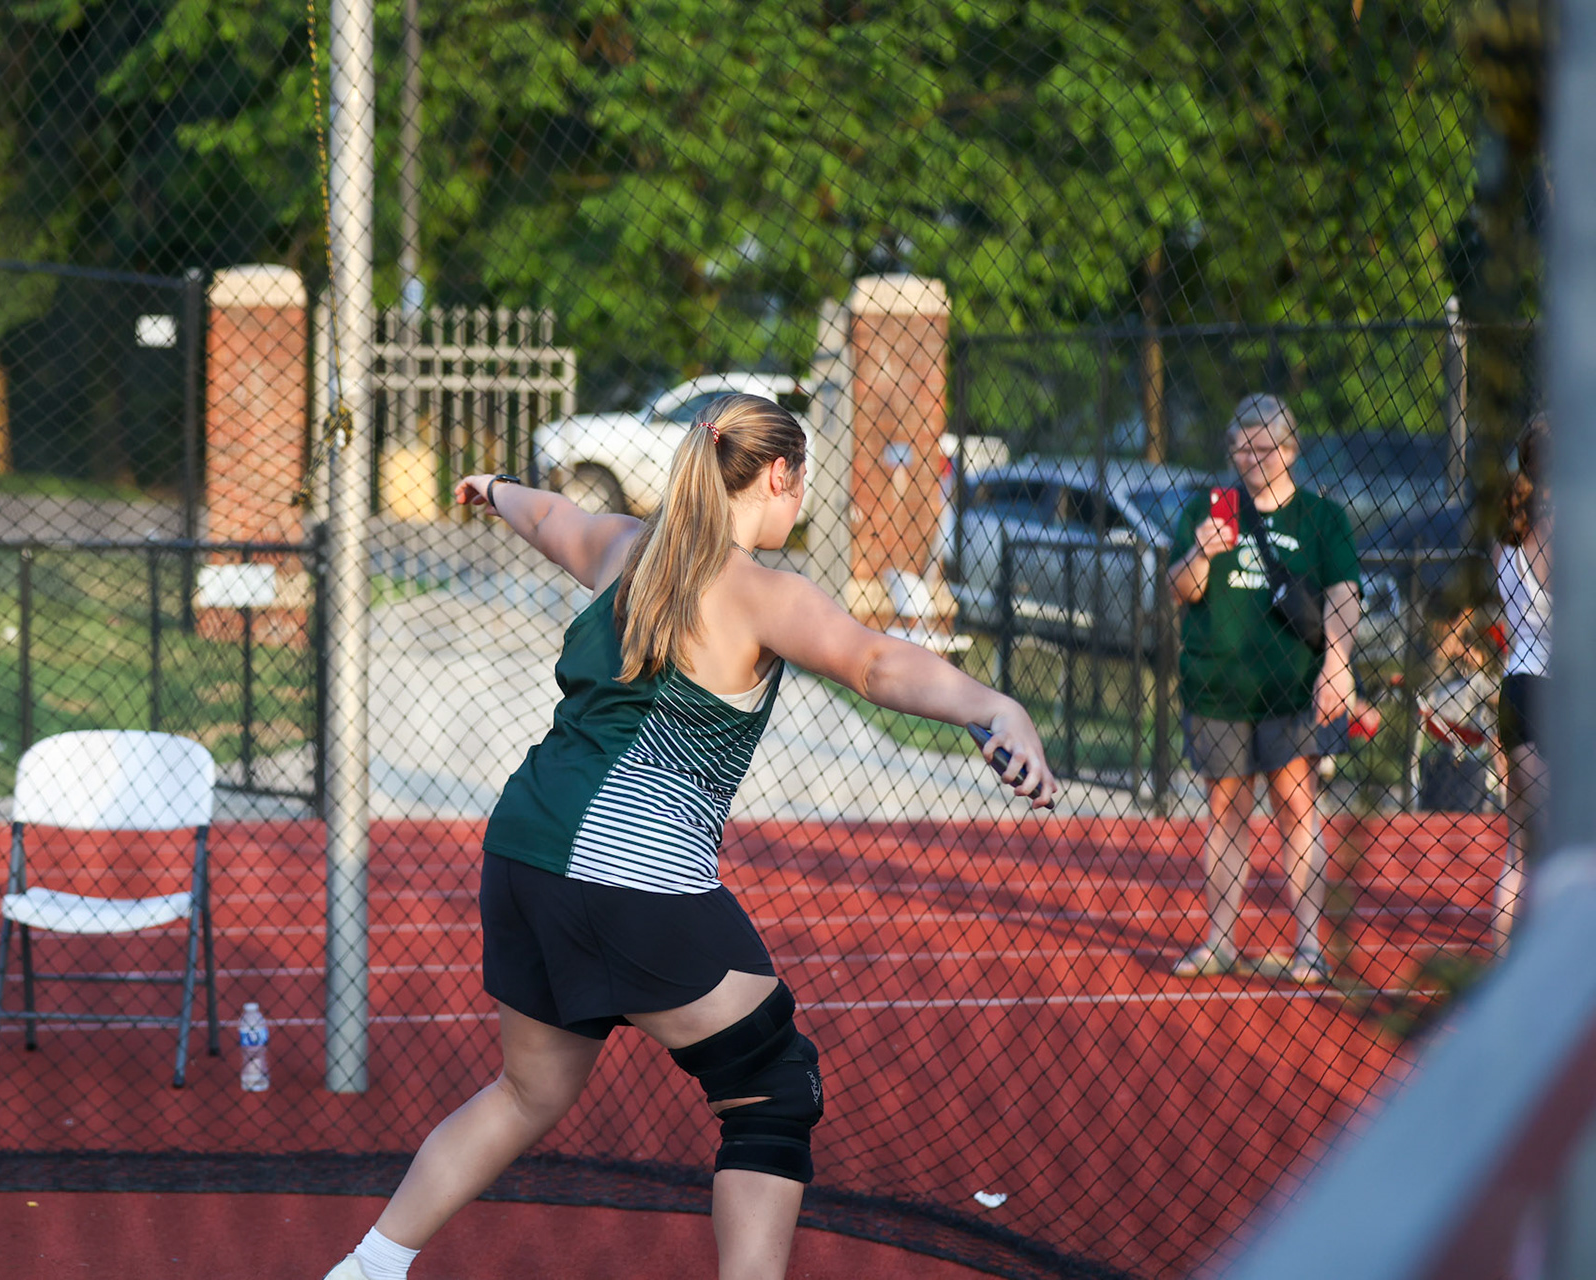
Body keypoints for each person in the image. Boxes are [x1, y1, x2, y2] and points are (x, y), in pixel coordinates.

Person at [322, 394, 1056, 1280]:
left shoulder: (629, 548)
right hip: (624, 869)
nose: (800, 504)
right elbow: (873, 661)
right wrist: (994, 704)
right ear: (777, 476)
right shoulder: (756, 590)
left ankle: (366, 1268)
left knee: (529, 1091)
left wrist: (495, 487)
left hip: (522, 847)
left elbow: (553, 516)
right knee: (775, 1090)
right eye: (800, 486)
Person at [1167, 394, 1360, 986]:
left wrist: (1338, 662)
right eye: (1243, 447)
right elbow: (1181, 588)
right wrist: (1202, 551)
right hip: (1218, 686)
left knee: (1296, 805)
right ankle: (1220, 939)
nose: (1254, 458)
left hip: (1291, 687)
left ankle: (1309, 946)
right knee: (1225, 811)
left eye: (1267, 446)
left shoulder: (1321, 518)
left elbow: (1344, 595)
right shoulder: (1207, 508)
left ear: (1291, 447)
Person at [1491, 415, 1549, 953]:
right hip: (1560, 691)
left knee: (1520, 847)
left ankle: (1505, 966)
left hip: (1518, 687)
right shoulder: (1560, 524)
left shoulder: (1509, 521)